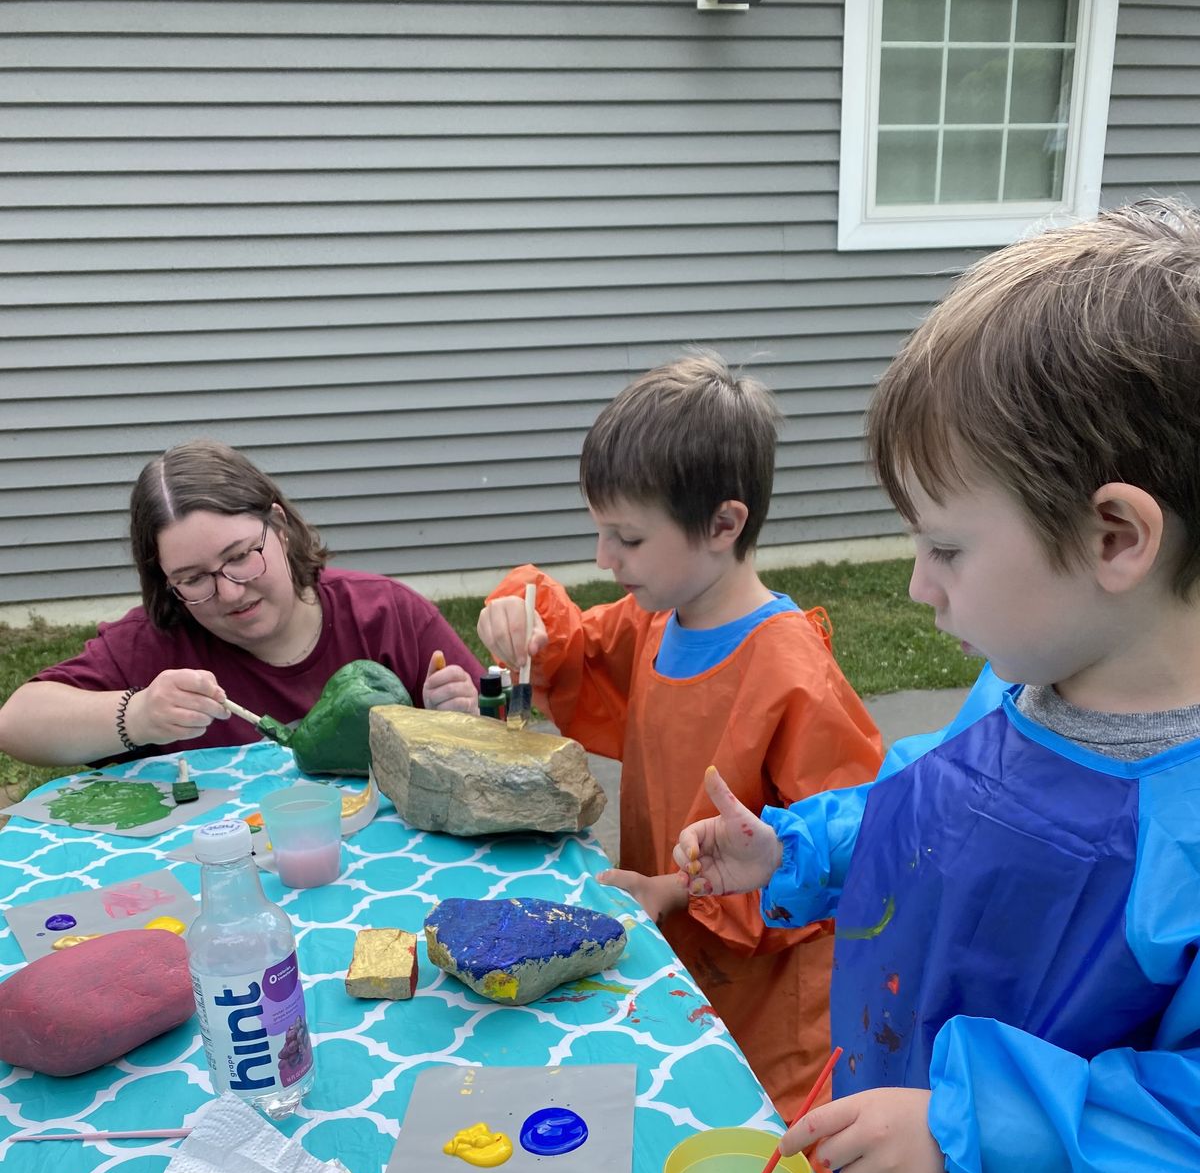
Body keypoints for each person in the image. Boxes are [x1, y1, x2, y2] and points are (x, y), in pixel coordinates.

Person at [674, 203, 1200, 1173]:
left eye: (947, 549)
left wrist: (970, 1127)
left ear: (1115, 536)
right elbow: (920, 809)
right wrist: (790, 853)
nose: (917, 584)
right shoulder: (1019, 688)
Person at [477, 352, 882, 1117]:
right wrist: (516, 605)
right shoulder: (654, 620)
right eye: (599, 533)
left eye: (626, 539)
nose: (604, 559)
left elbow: (844, 863)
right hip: (672, 951)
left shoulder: (793, 673)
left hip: (770, 1015)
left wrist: (673, 889)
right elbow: (568, 644)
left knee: (747, 1144)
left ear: (724, 524)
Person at [0, 440, 482, 767]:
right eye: (192, 579)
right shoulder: (154, 646)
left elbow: (502, 735)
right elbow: (17, 723)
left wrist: (467, 718)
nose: (230, 592)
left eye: (240, 557)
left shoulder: (386, 616)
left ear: (278, 524)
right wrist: (138, 714)